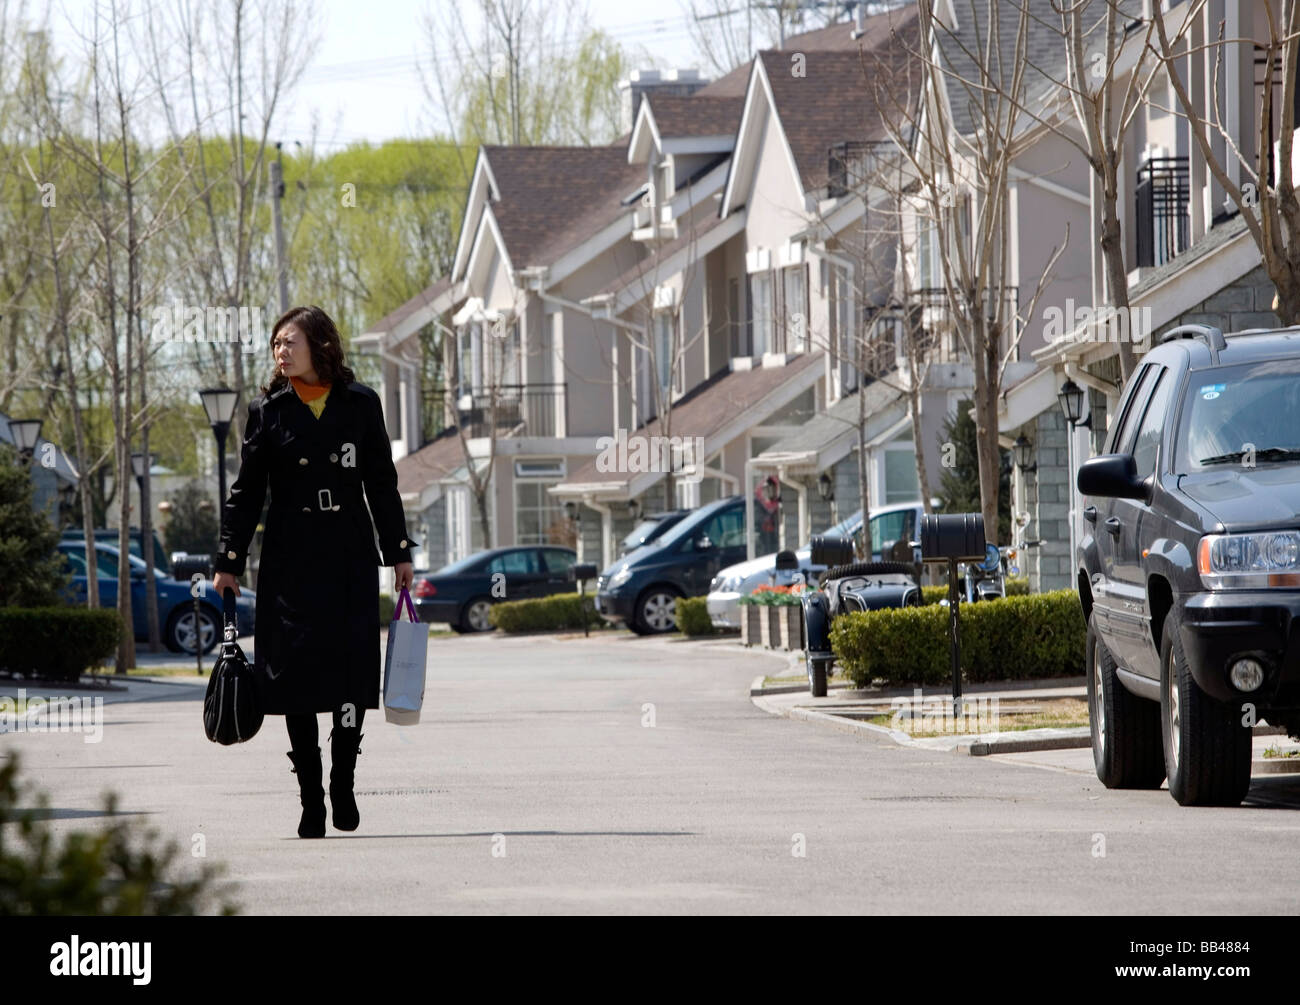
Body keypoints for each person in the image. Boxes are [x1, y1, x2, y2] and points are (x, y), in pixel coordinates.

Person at [212, 305, 417, 838]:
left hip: (348, 557)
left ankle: (343, 781)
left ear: (320, 345)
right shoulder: (270, 411)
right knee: (295, 682)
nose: (281, 352)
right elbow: (247, 492)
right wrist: (229, 560)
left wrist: (398, 552)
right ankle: (311, 799)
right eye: (276, 344)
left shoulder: (360, 404)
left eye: (291, 342)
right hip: (289, 562)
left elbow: (382, 483)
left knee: (350, 678)